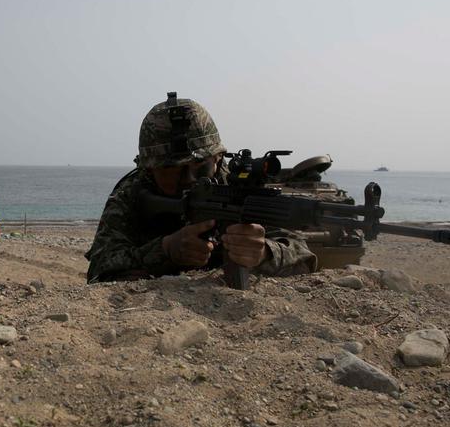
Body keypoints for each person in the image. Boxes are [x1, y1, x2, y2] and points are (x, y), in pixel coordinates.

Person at [85, 92, 317, 284]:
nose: (189, 179)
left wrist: (263, 252)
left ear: (218, 158)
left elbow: (304, 258)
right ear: (148, 170)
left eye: (201, 167)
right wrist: (164, 251)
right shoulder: (132, 194)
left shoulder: (236, 188)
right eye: (171, 170)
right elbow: (99, 268)